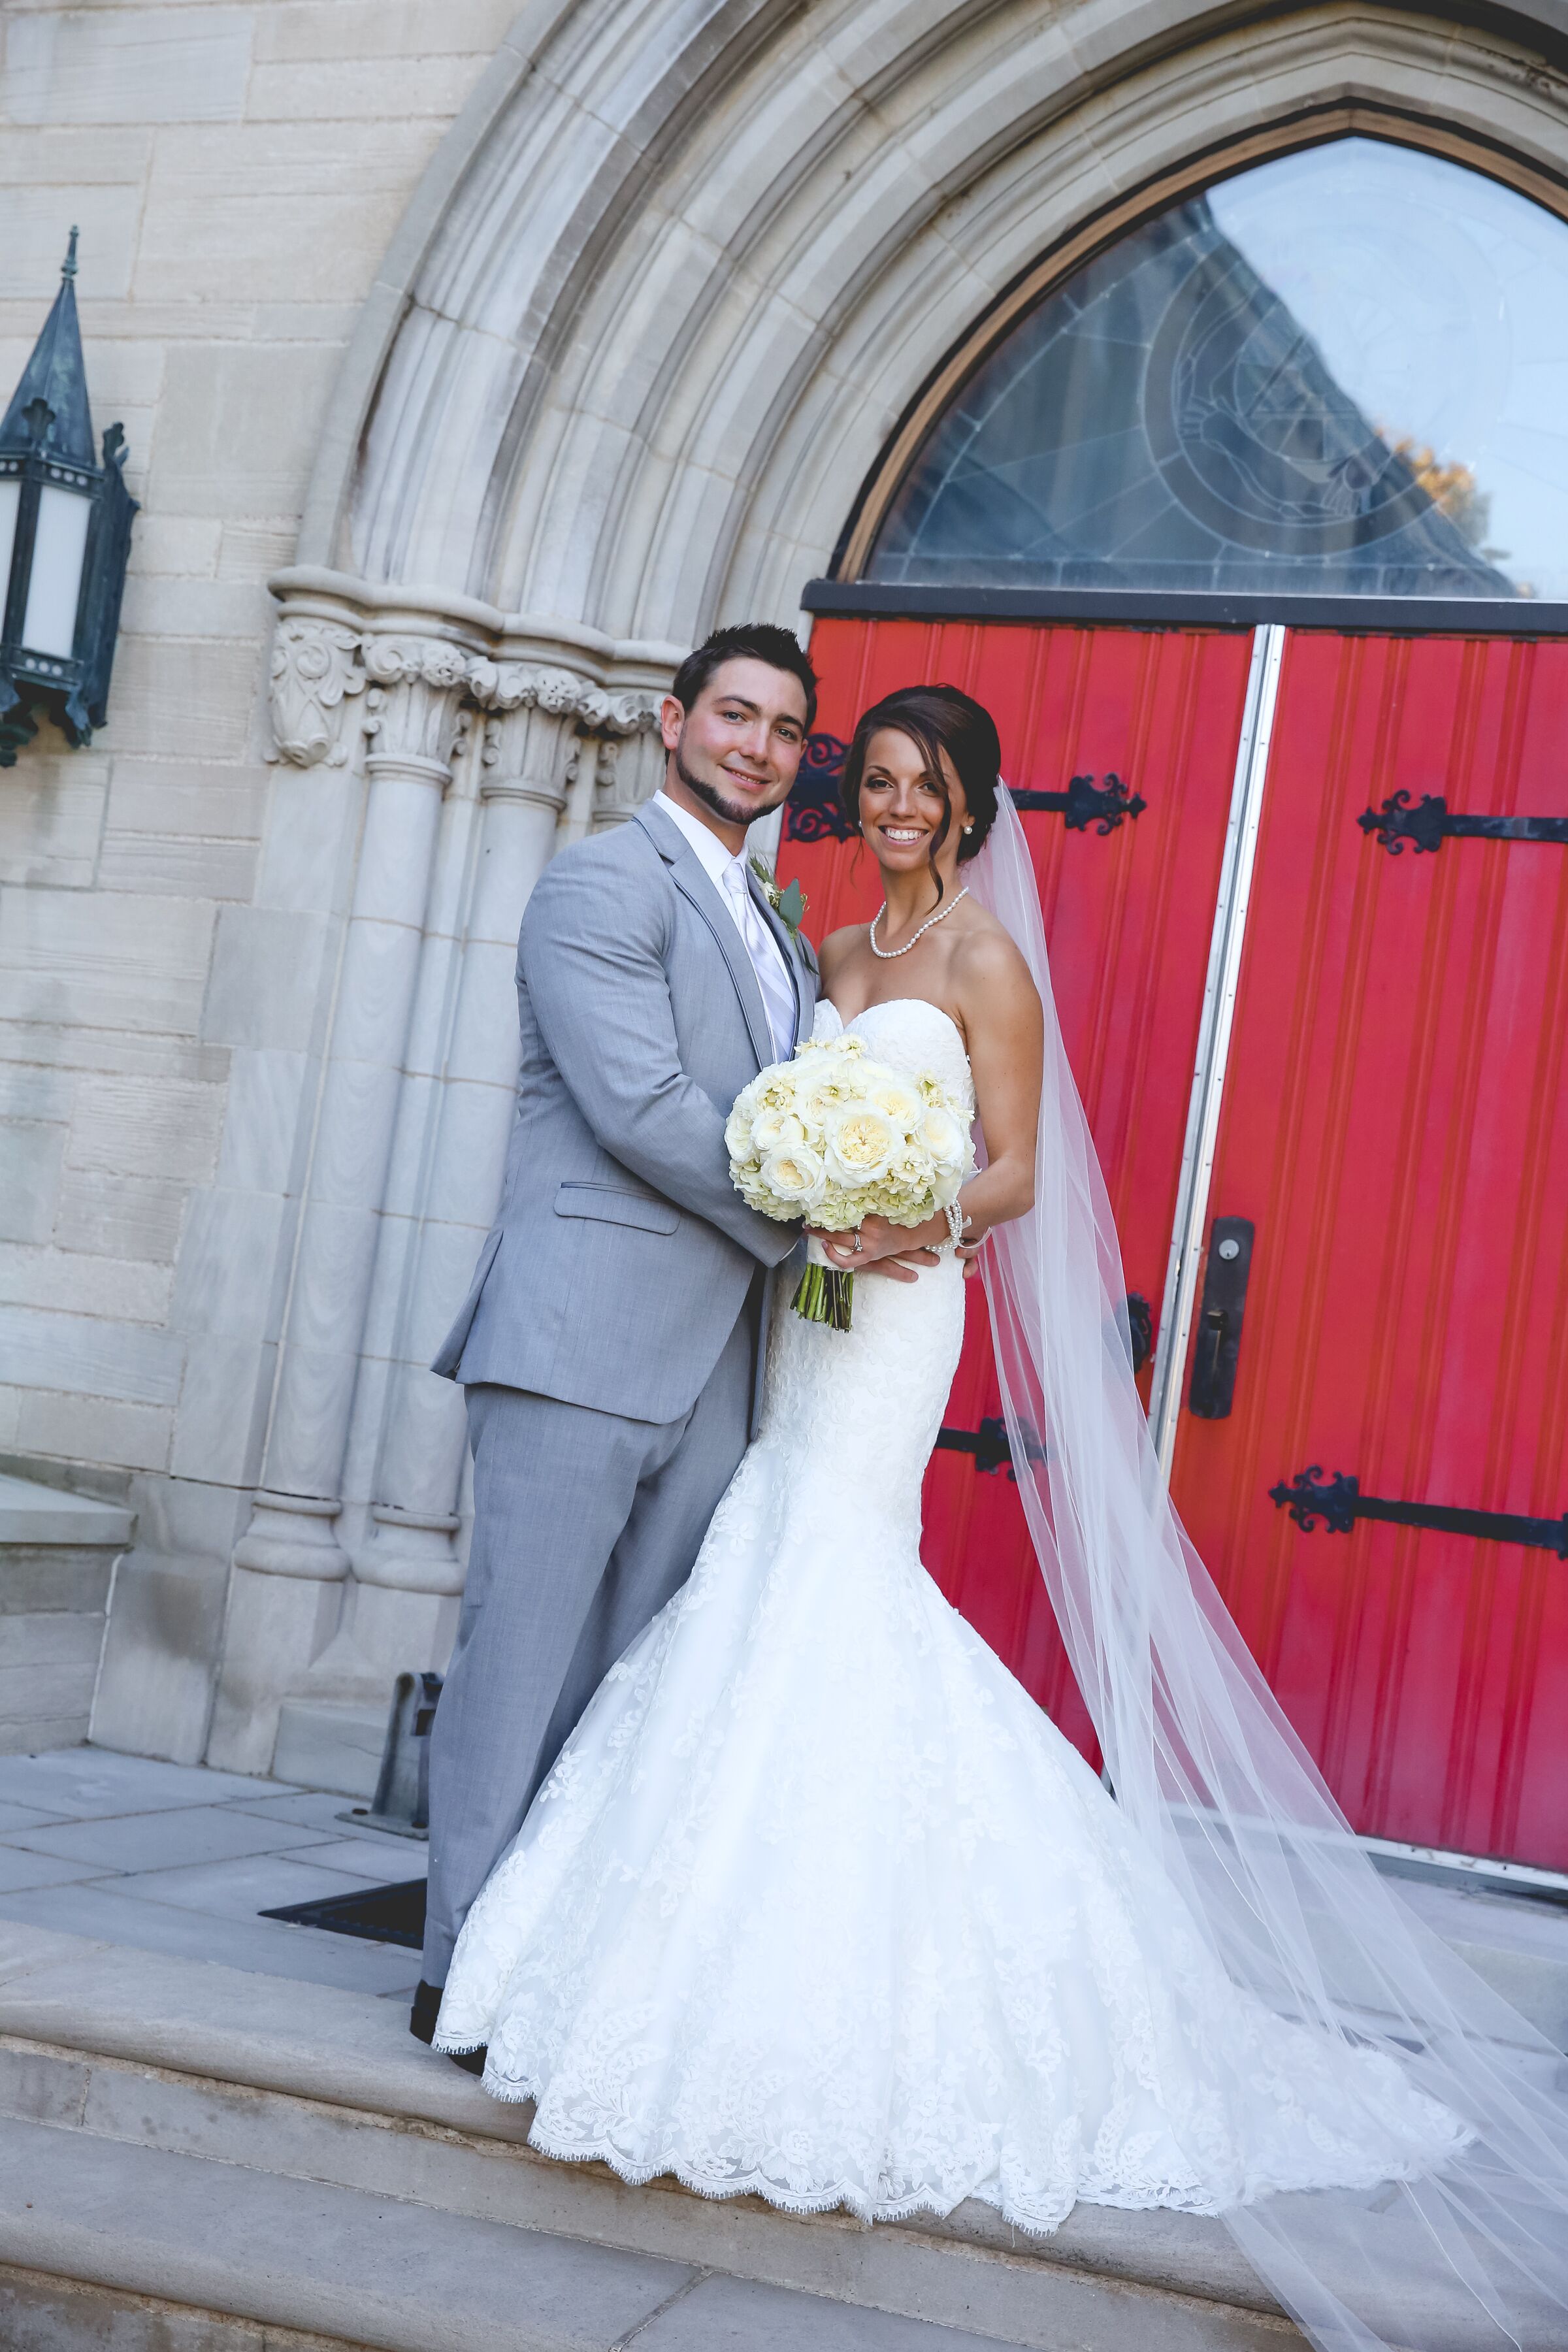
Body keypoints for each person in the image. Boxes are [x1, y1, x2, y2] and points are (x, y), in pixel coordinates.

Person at [429, 685, 1568, 2352]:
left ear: (971, 811)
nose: (898, 808)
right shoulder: (820, 947)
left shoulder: (979, 962)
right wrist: (812, 1206)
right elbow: (757, 1122)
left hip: (891, 1308)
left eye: (927, 788)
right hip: (800, 1302)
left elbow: (1017, 1168)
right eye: (876, 780)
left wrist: (886, 1216)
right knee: (756, 1565)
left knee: (830, 1571)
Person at [412, 624, 926, 2048]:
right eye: (735, 717)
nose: (757, 747)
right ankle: (455, 1970)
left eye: (782, 732)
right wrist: (812, 1220)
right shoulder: (597, 883)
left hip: (718, 1366)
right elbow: (639, 1106)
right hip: (579, 1340)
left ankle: (551, 1959)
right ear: (673, 719)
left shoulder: (774, 921)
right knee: (521, 1665)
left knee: (635, 1677)